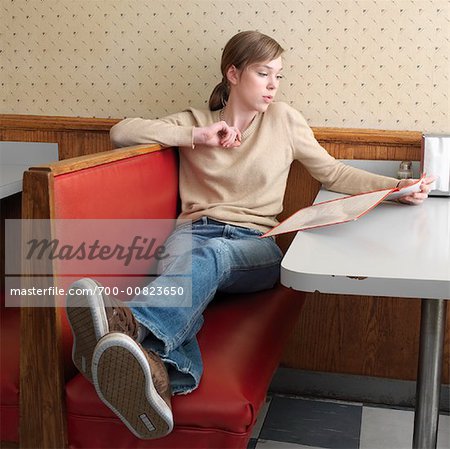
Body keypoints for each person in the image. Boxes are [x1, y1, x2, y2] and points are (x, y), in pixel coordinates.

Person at [66, 30, 433, 440]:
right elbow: (122, 131)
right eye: (264, 74)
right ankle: (160, 373)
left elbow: (332, 172)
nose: (274, 85)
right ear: (234, 74)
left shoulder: (285, 120)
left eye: (279, 75)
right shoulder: (195, 121)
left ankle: (128, 324)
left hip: (254, 245)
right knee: (192, 289)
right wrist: (197, 136)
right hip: (191, 235)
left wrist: (391, 192)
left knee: (214, 257)